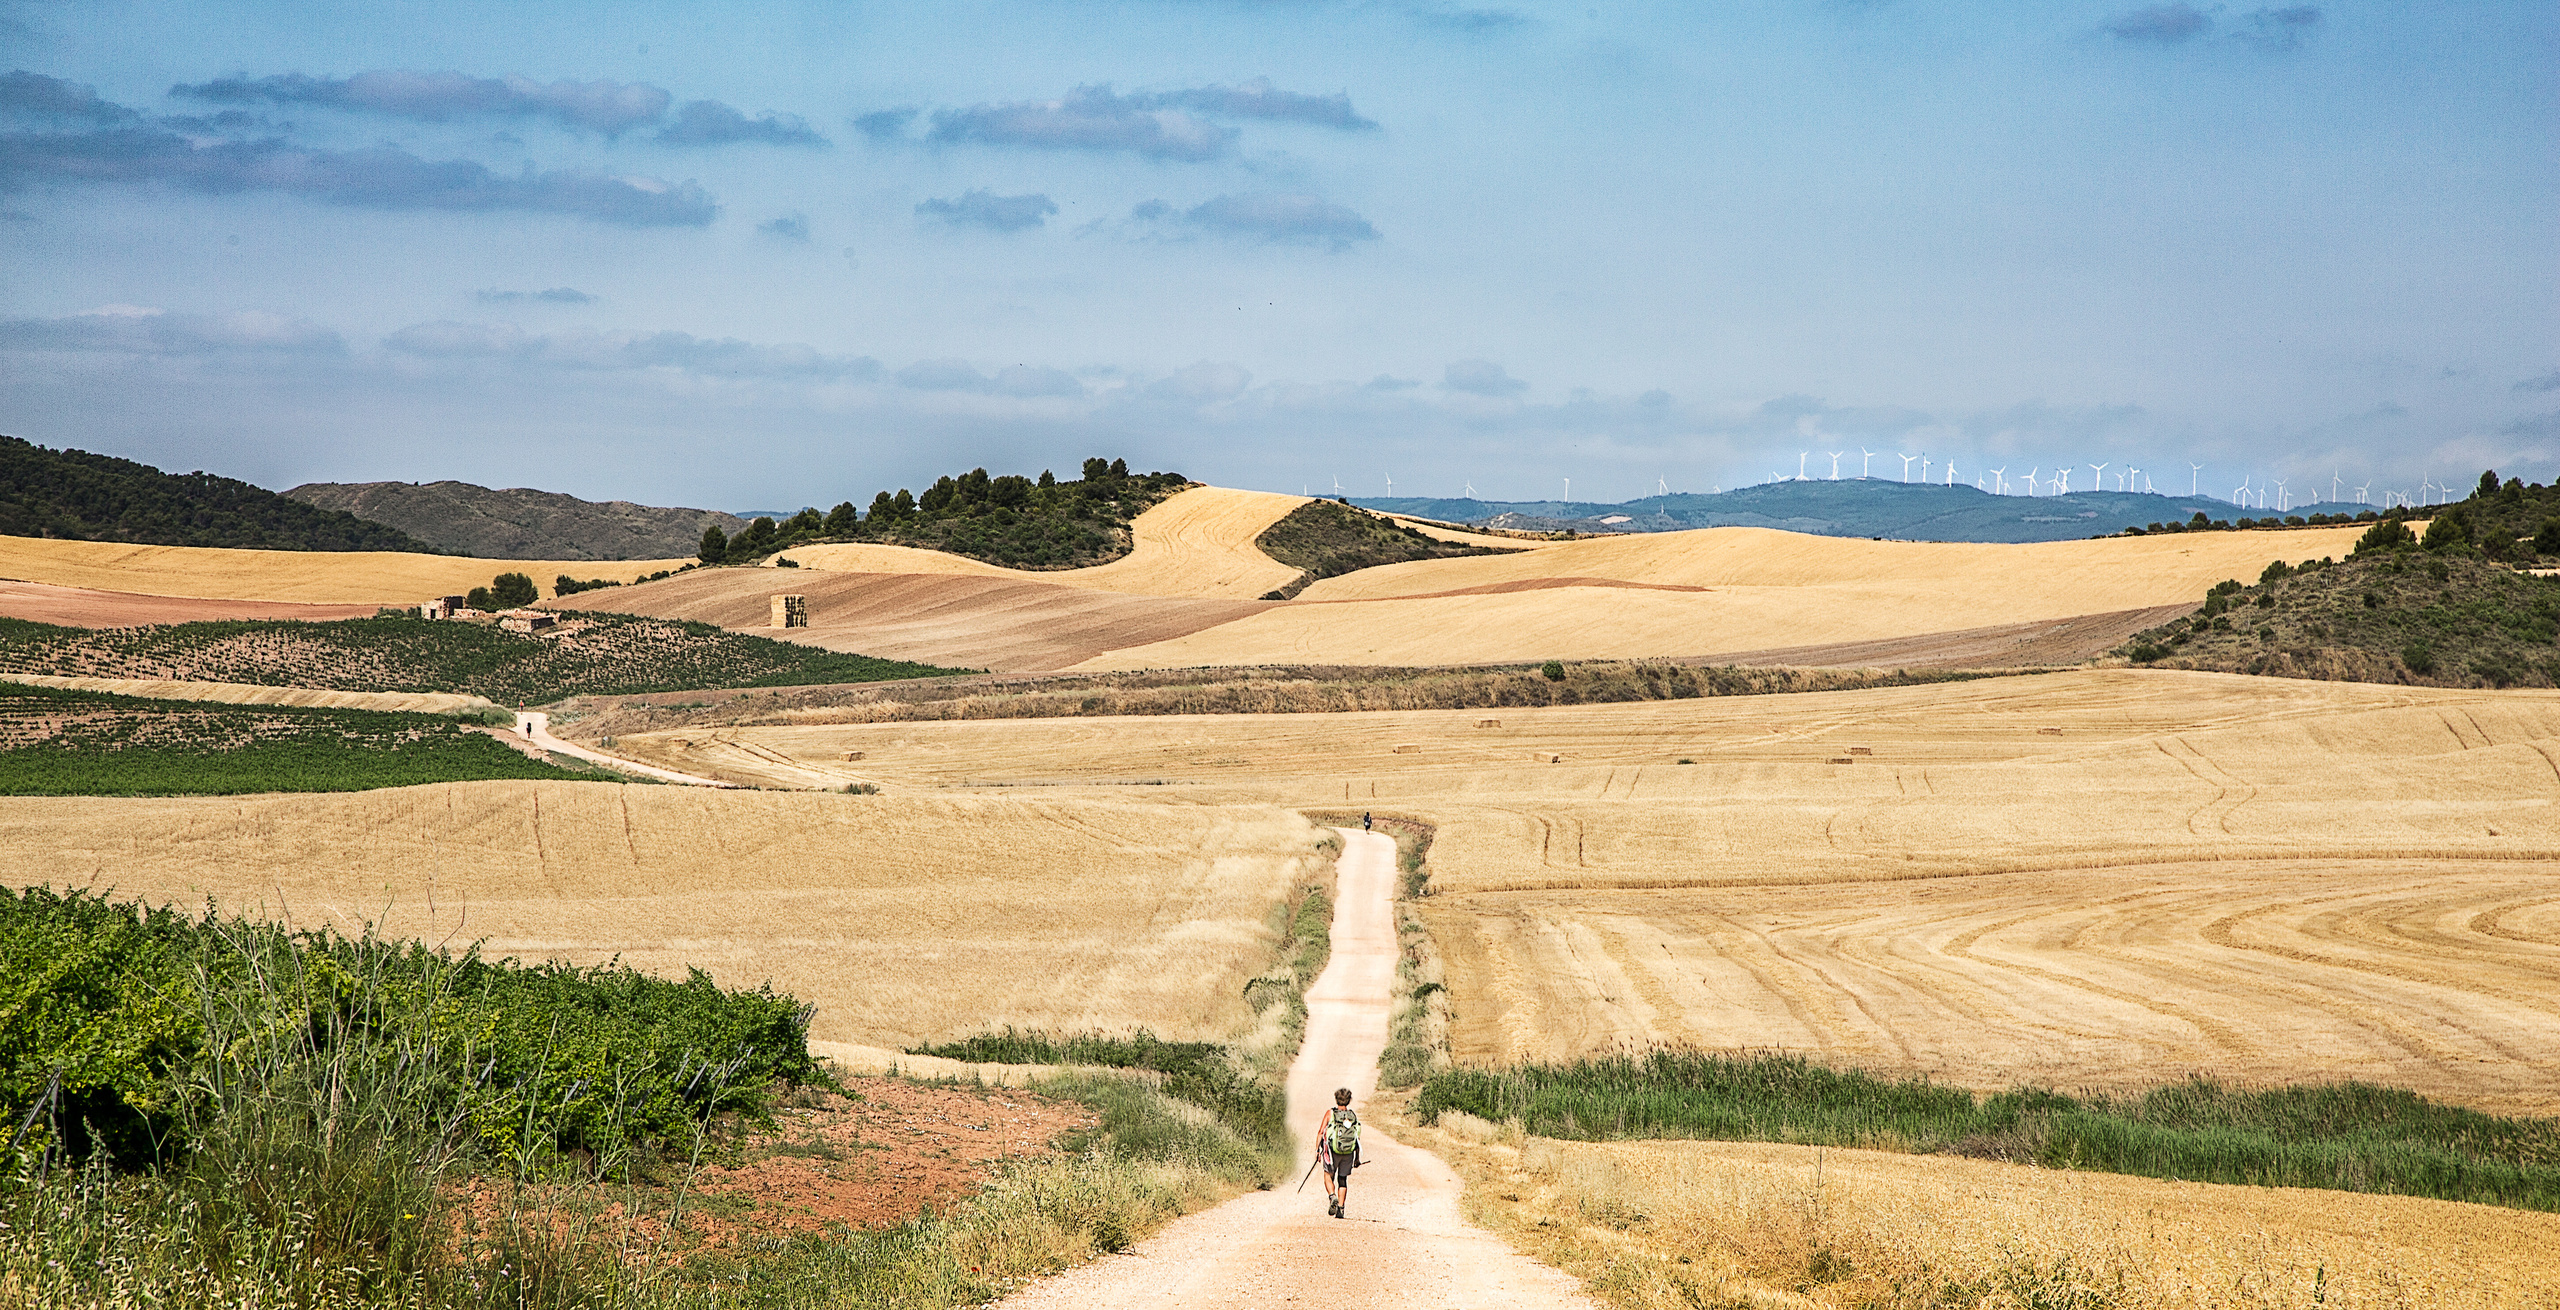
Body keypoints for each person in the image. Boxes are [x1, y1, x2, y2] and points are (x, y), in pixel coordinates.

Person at [1316, 1087, 1361, 1218]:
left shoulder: (1330, 1113)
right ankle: (1341, 1208)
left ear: (1336, 1099)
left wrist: (1317, 1150)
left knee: (1328, 1175)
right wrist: (1357, 1158)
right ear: (1349, 1100)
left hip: (1332, 1151)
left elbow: (1321, 1132)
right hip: (1348, 1152)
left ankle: (1332, 1196)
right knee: (1342, 1179)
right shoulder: (1352, 1116)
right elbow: (1357, 1138)